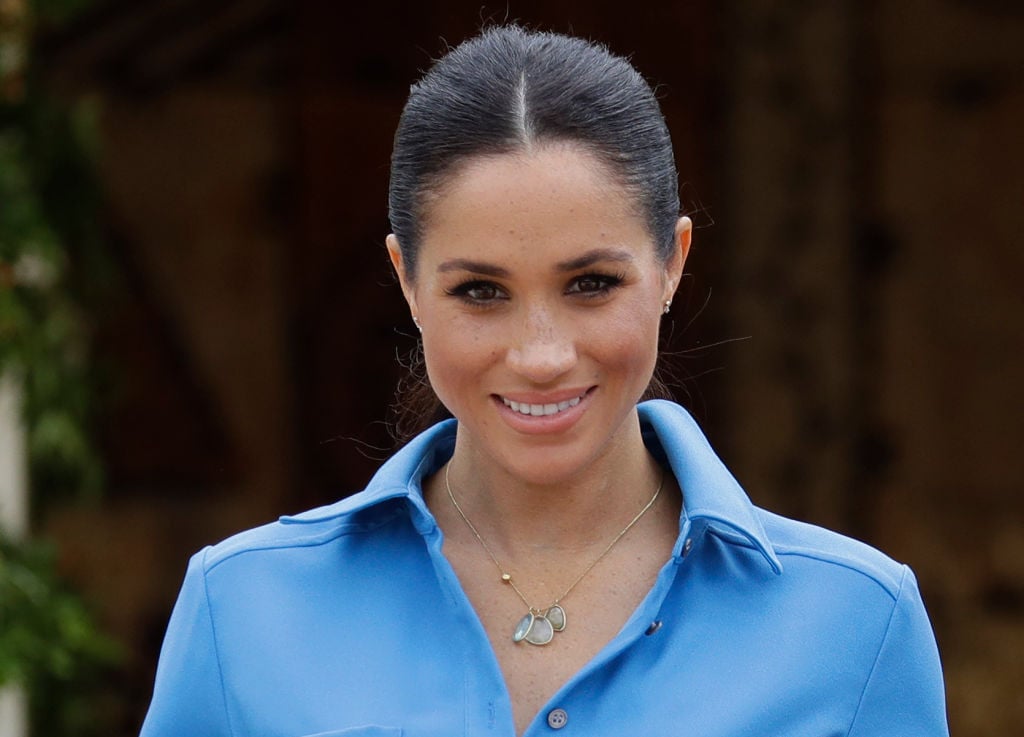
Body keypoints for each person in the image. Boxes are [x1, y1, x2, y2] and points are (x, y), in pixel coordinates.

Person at [139, 25, 948, 737]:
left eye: (591, 283)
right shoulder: (241, 608)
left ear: (672, 263)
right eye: (480, 291)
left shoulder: (858, 626)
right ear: (407, 281)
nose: (540, 354)